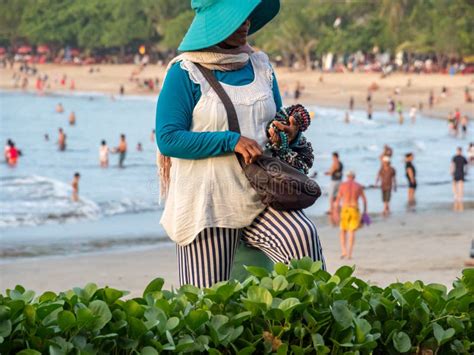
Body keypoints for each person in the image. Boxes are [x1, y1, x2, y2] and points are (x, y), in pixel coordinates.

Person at [155, 0, 325, 288]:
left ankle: (303, 324)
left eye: (246, 15)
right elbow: (169, 138)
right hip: (209, 202)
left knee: (302, 238)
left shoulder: (261, 67)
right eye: (235, 17)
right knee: (208, 304)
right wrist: (230, 141)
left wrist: (288, 131)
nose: (246, 22)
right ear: (213, 26)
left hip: (264, 193)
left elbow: (276, 122)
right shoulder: (185, 73)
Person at [334, 170, 367, 259]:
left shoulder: (342, 185)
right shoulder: (358, 186)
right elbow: (364, 201)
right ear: (354, 177)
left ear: (347, 176)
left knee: (343, 231)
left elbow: (337, 202)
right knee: (351, 231)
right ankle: (350, 254)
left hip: (345, 209)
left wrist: (335, 213)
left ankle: (344, 251)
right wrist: (365, 213)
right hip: (354, 209)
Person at [325, 152, 343, 218]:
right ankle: (338, 207)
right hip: (339, 181)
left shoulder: (335, 163)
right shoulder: (341, 163)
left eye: (333, 157)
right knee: (337, 196)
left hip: (334, 181)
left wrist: (328, 173)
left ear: (335, 157)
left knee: (331, 196)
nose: (332, 158)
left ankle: (331, 209)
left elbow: (332, 171)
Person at [451, 147, 468, 211]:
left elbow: (452, 165)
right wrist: (466, 172)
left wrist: (451, 171)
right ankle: (460, 197)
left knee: (455, 185)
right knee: (460, 186)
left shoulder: (454, 157)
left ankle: (456, 196)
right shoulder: (463, 158)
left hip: (456, 173)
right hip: (461, 173)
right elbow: (466, 166)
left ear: (458, 151)